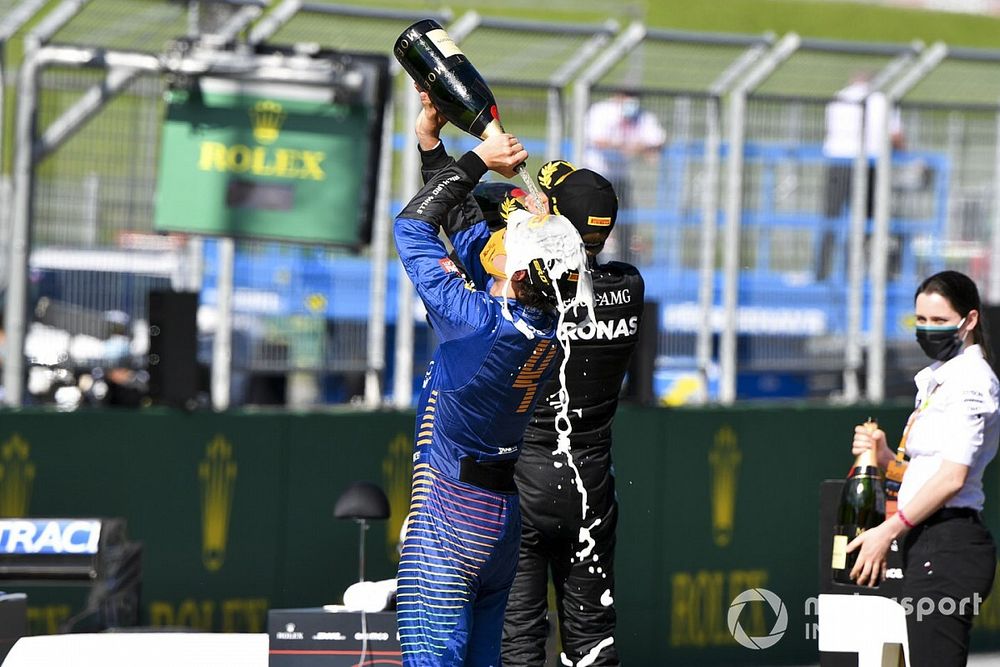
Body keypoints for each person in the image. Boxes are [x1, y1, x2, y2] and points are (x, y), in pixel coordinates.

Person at [395, 97, 592, 667]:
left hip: (450, 522)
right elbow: (470, 234)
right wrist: (432, 147)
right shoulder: (547, 320)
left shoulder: (477, 324)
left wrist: (478, 161)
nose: (497, 236)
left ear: (518, 271)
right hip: (499, 526)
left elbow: (413, 227)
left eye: (508, 238)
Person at [500, 160, 643, 667]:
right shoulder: (629, 285)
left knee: (518, 636)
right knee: (593, 638)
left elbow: (467, 207)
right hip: (590, 488)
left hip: (522, 482)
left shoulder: (533, 298)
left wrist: (520, 209)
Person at [847, 270, 997, 667]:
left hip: (947, 546)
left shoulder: (970, 383)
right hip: (927, 543)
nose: (928, 330)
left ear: (969, 321)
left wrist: (888, 531)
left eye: (939, 320)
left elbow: (953, 478)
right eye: (922, 320)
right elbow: (926, 474)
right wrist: (885, 461)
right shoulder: (938, 379)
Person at [819, 72, 905, 279]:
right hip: (868, 165)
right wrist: (904, 156)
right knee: (867, 219)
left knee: (831, 217)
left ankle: (822, 270)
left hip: (837, 162)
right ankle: (859, 270)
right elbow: (896, 135)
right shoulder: (882, 101)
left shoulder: (838, 98)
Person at [583, 91, 666, 215]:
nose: (631, 101)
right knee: (593, 212)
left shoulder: (642, 115)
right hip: (595, 171)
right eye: (628, 96)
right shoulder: (601, 111)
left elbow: (657, 140)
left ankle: (622, 235)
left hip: (620, 175)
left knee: (623, 214)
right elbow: (597, 139)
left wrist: (638, 147)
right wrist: (625, 146)